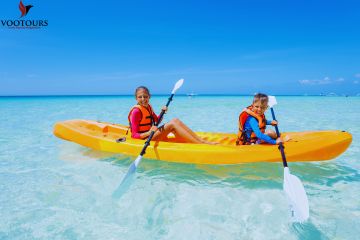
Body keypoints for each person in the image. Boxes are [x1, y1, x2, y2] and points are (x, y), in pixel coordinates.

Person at [128, 86, 216, 144]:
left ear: (149, 96)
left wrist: (163, 112)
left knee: (175, 120)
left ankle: (201, 141)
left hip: (151, 134)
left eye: (145, 96)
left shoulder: (148, 107)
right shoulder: (136, 111)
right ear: (136, 98)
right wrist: (149, 132)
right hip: (144, 139)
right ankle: (200, 145)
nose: (143, 99)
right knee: (172, 125)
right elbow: (134, 135)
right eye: (140, 97)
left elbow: (157, 120)